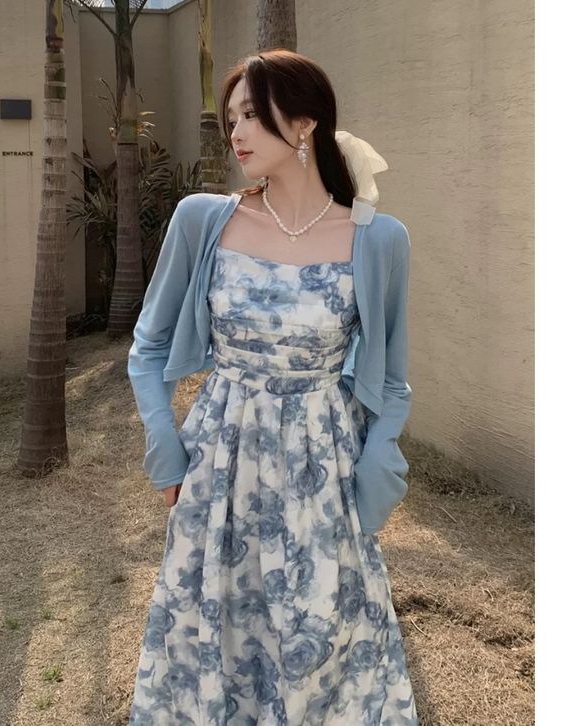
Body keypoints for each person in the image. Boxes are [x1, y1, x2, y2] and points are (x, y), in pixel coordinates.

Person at [128, 49, 418, 725]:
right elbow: (148, 348)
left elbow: (393, 381)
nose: (236, 132)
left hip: (323, 477)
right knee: (214, 637)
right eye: (231, 118)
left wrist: (379, 463)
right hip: (219, 469)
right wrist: (165, 448)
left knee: (322, 643)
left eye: (253, 115)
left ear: (306, 122)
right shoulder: (204, 220)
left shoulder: (379, 240)